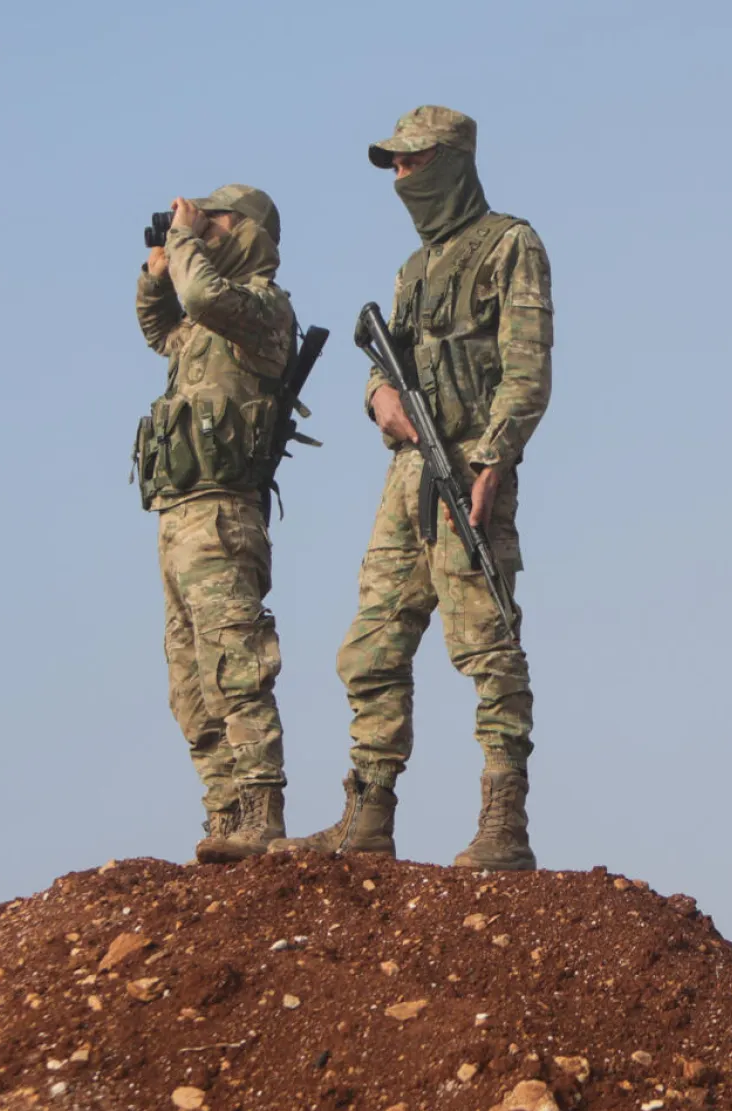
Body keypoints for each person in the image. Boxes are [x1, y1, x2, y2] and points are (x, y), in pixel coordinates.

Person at [273, 106, 554, 870]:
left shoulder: (510, 246)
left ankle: (505, 821)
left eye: (413, 163)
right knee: (370, 644)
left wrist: (492, 462)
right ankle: (367, 813)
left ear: (452, 163)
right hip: (407, 474)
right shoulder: (413, 270)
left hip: (467, 467)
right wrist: (378, 401)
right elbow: (385, 361)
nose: (401, 178)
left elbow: (527, 374)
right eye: (393, 165)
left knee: (486, 639)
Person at [133, 184, 297, 864]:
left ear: (251, 231)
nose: (200, 228)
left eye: (216, 220)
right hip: (178, 518)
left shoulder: (260, 308)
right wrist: (155, 276)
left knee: (235, 666)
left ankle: (261, 811)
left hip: (225, 516)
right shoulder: (204, 327)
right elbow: (161, 328)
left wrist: (185, 242)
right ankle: (224, 814)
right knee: (191, 684)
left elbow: (202, 296)